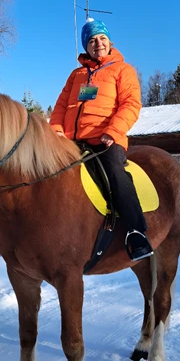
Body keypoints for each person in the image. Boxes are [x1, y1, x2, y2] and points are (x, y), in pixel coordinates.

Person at [50, 18, 153, 261]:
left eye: (102, 39)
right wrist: (55, 130)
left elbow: (131, 104)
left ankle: (135, 232)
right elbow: (61, 106)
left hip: (105, 139)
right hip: (73, 142)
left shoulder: (122, 70)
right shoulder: (76, 75)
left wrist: (113, 131)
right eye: (93, 40)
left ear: (110, 42)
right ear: (86, 45)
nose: (98, 44)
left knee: (115, 172)